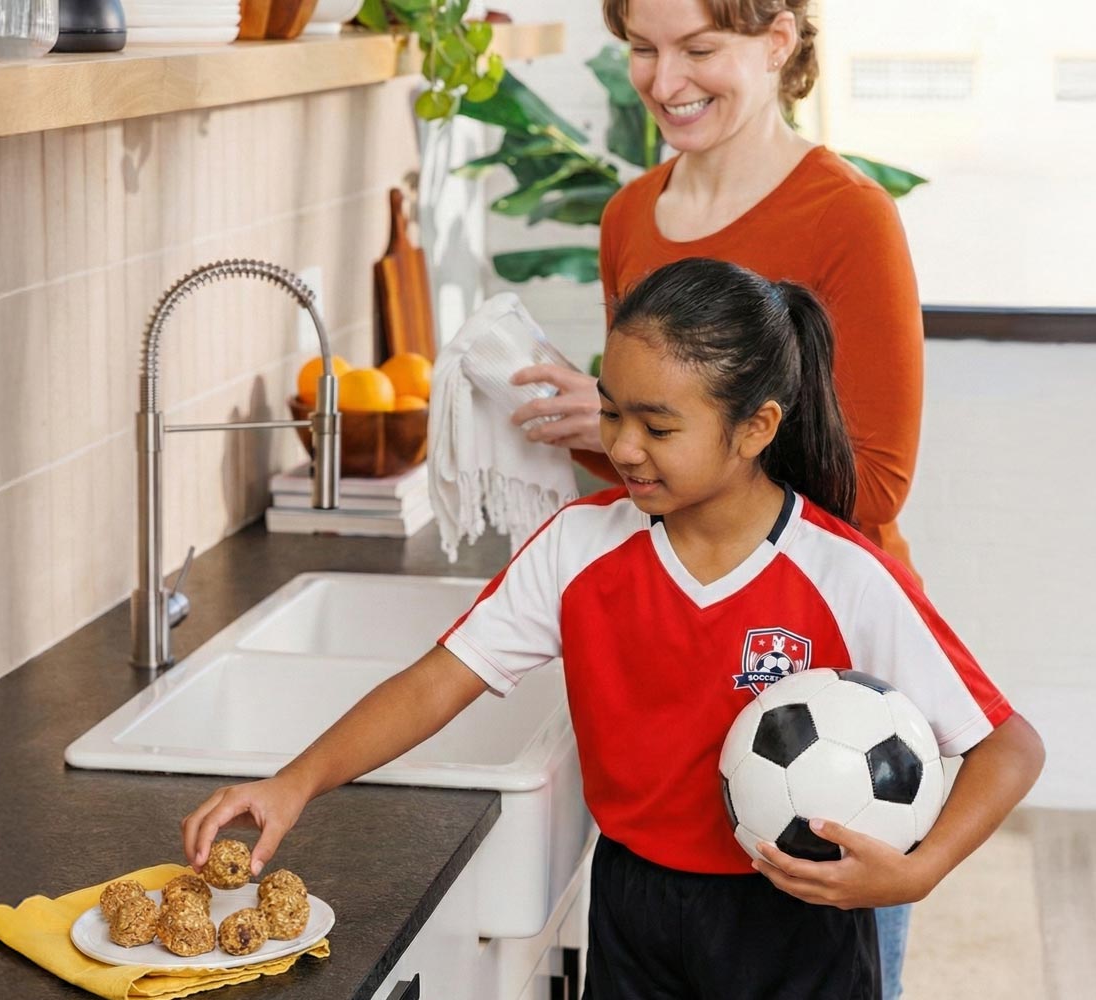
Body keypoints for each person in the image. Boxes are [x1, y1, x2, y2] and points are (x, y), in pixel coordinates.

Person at [182, 258, 1046, 999]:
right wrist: (294, 782)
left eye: (658, 426)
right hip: (633, 906)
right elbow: (438, 680)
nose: (624, 447)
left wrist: (919, 872)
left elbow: (1009, 746)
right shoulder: (579, 547)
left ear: (756, 428)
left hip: (797, 925)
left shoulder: (844, 575)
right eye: (612, 412)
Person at [507, 2, 928, 990]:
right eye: (643, 50)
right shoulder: (629, 217)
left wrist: (665, 437)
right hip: (678, 669)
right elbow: (664, 478)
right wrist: (606, 433)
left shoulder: (849, 217)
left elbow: (874, 482)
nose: (664, 81)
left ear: (778, 42)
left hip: (821, 677)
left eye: (699, 49)